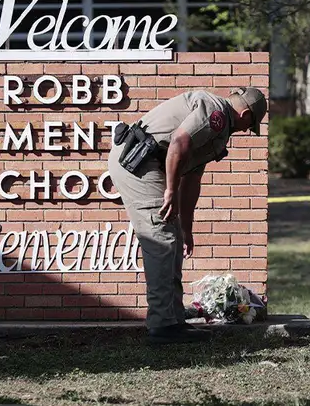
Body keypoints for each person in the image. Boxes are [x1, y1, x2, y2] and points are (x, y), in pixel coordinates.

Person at [107, 86, 267, 345]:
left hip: (150, 163)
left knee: (173, 238)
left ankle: (173, 319)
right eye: (250, 126)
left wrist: (187, 229)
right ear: (246, 115)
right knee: (161, 239)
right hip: (137, 163)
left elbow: (192, 179)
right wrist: (170, 190)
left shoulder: (218, 129)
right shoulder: (215, 112)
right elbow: (179, 143)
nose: (246, 131)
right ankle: (162, 325)